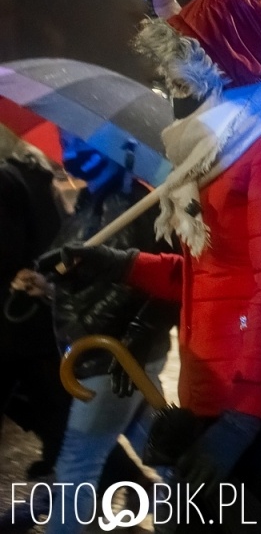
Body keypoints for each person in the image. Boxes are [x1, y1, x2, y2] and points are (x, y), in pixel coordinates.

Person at [55, 0, 261, 533]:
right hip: (228, 389)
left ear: (230, 60)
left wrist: (240, 422)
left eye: (196, 55)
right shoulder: (227, 142)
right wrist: (113, 263)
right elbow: (211, 277)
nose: (185, 71)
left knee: (198, 522)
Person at [42, 134, 180, 534]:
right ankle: (205, 516)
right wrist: (44, 280)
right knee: (162, 455)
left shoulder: (141, 205)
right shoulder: (89, 201)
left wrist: (90, 327)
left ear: (110, 146)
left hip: (112, 356)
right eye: (63, 138)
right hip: (99, 355)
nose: (67, 151)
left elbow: (145, 281)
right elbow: (72, 269)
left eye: (75, 140)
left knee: (77, 463)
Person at [2, 143, 70, 481]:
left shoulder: (5, 182)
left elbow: (6, 251)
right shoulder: (42, 183)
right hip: (38, 319)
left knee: (56, 415)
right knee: (56, 415)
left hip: (12, 319)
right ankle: (125, 477)